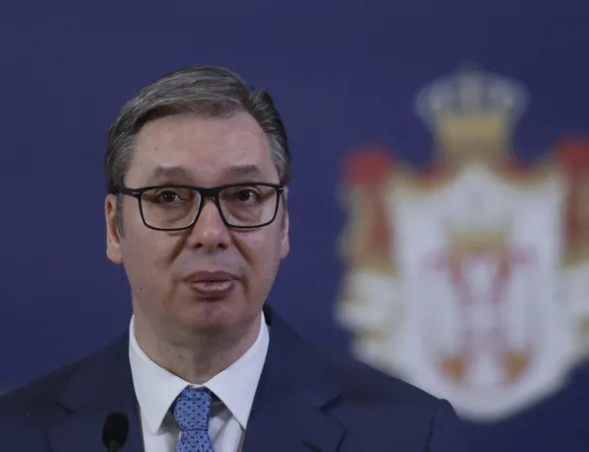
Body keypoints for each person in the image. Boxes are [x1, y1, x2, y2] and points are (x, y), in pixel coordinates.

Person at [0, 66, 467, 451]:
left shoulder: (408, 435)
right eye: (169, 197)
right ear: (114, 228)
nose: (210, 233)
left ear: (283, 224)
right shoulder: (15, 433)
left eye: (244, 195)